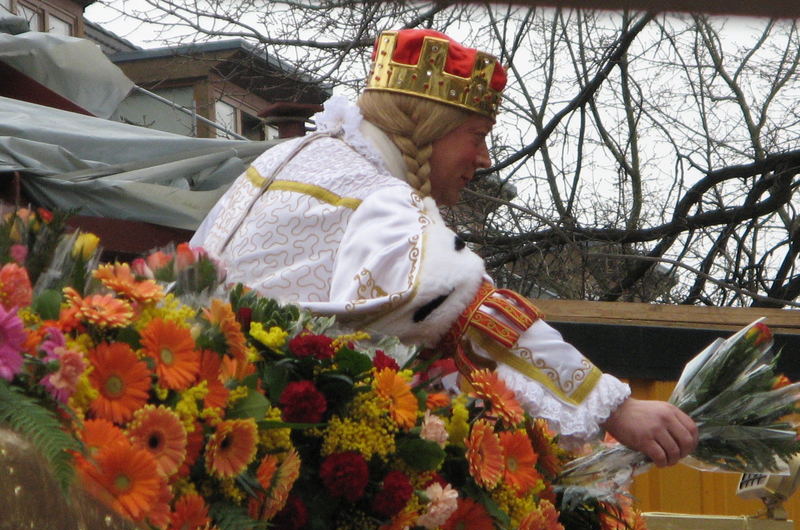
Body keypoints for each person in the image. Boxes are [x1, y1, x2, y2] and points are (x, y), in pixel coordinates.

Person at [191, 28, 697, 467]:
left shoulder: (292, 157)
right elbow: (475, 311)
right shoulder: (381, 197)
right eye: (476, 135)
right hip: (270, 444)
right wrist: (614, 408)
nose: (484, 158)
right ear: (427, 130)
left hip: (201, 412)